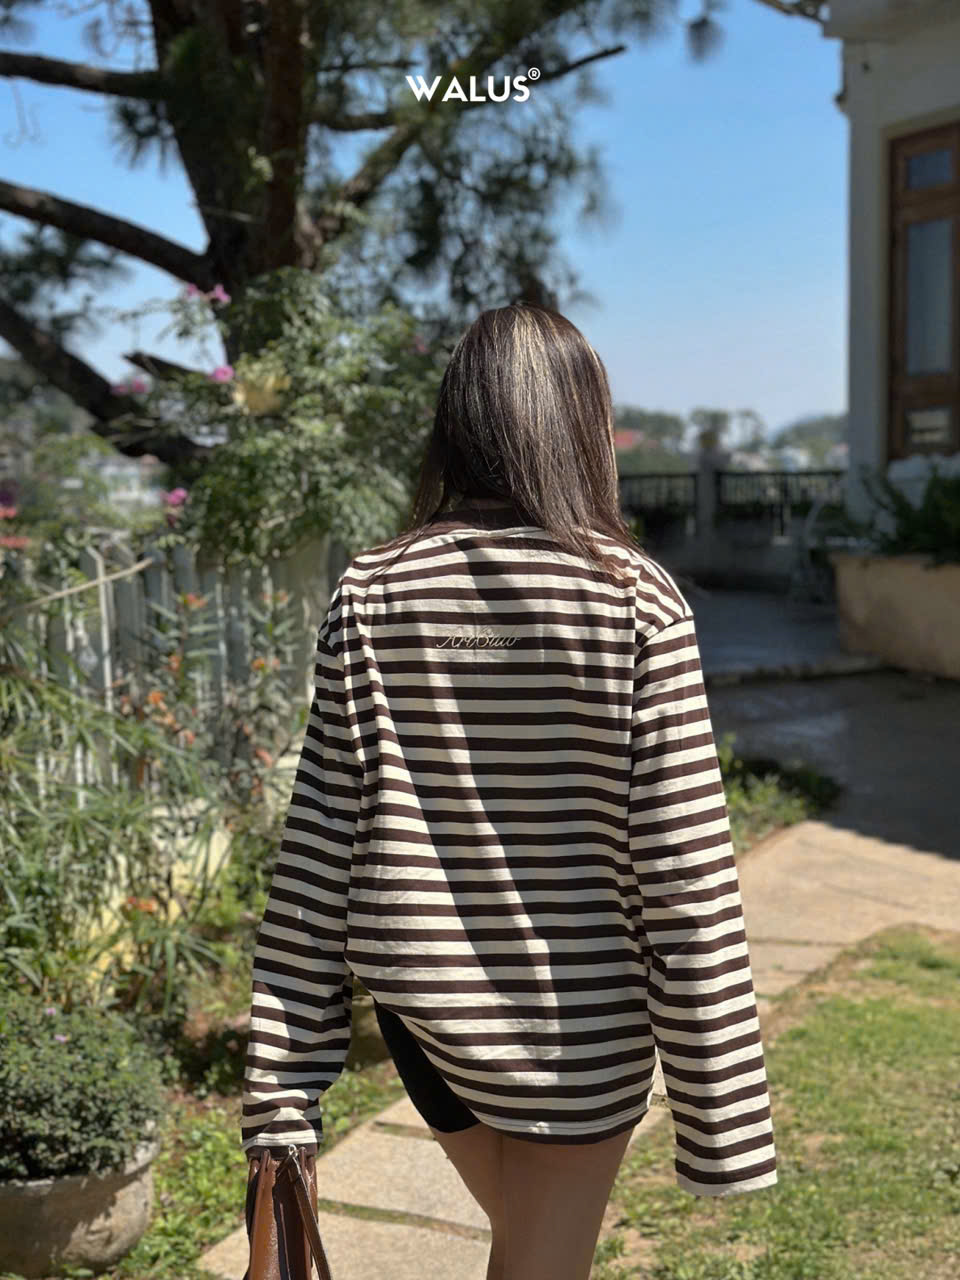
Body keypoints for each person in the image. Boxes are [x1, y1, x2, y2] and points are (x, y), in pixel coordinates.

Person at [240, 301, 777, 1280]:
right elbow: (685, 878)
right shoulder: (636, 601)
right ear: (582, 425)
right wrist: (723, 1122)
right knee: (542, 1261)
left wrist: (281, 1088)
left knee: (526, 1248)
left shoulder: (372, 591)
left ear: (459, 422)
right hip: (582, 1035)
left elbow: (318, 851)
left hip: (424, 1019)